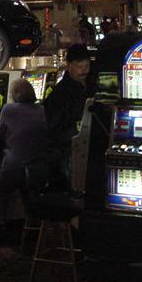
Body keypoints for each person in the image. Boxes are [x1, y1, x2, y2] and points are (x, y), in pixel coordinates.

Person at [43, 44, 92, 190]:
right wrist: (77, 133)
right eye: (80, 66)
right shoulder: (59, 95)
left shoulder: (91, 86)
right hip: (69, 151)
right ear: (69, 66)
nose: (84, 70)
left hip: (88, 147)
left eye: (87, 66)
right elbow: (54, 131)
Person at [0, 79, 49, 195]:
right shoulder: (42, 109)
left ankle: (0, 206)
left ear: (14, 94)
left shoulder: (8, 109)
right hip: (39, 168)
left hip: (14, 167)